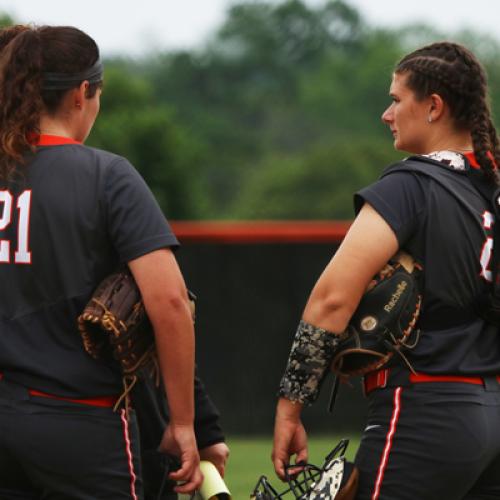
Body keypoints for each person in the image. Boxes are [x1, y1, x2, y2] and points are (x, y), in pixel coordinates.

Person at [272, 41, 500, 499]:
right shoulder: (490, 190)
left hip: (426, 408)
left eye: (397, 100)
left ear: (433, 106)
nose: (386, 113)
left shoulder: (410, 184)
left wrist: (290, 407)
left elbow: (333, 297)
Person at [0, 25, 202, 498]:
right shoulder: (107, 176)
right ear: (82, 93)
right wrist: (185, 422)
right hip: (78, 421)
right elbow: (170, 303)